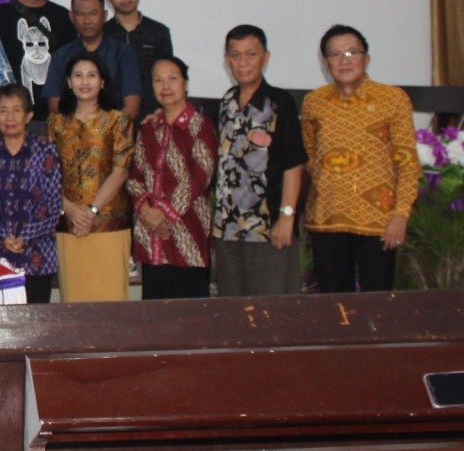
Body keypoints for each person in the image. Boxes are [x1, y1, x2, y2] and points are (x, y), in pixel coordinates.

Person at [301, 25, 420, 294]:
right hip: (327, 220)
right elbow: (311, 156)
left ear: (366, 58)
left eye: (352, 52)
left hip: (378, 222)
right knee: (334, 305)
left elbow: (407, 162)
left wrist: (401, 215)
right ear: (325, 62)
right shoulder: (314, 102)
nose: (344, 60)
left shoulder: (393, 99)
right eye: (335, 54)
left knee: (377, 305)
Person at [211, 25, 307, 296]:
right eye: (235, 55)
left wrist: (286, 218)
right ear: (227, 59)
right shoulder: (227, 102)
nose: (243, 62)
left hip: (266, 228)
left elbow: (292, 163)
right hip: (227, 229)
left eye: (251, 54)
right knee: (232, 309)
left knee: (269, 308)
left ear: (266, 57)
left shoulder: (279, 102)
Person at [127, 57, 217, 299]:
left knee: (190, 315)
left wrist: (163, 213)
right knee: (154, 313)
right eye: (158, 80)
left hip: (188, 234)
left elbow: (201, 176)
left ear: (185, 84)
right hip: (152, 236)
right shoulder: (148, 128)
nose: (165, 86)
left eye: (172, 79)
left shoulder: (201, 126)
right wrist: (146, 211)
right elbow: (135, 177)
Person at [48, 52, 134, 302]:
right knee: (74, 301)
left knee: (110, 301)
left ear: (102, 82)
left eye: (92, 75)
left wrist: (91, 212)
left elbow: (121, 170)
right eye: (78, 75)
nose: (85, 82)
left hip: (109, 223)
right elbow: (48, 173)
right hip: (69, 224)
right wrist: (70, 209)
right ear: (68, 82)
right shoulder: (56, 123)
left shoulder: (117, 120)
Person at [0, 84, 62, 304]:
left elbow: (52, 202)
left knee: (36, 319)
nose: (9, 117)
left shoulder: (46, 150)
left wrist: (24, 238)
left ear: (29, 115)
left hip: (38, 255)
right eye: (3, 110)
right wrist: (3, 236)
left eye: (16, 110)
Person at [41, 0, 141, 120]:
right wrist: (76, 128)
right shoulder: (60, 56)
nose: (87, 20)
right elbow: (54, 106)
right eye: (80, 14)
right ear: (72, 17)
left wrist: (108, 129)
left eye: (93, 13)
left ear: (105, 15)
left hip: (114, 129)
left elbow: (132, 106)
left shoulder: (123, 52)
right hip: (70, 130)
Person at [101, 0, 173, 117]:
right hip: (109, 118)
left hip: (152, 116)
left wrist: (162, 110)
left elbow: (168, 75)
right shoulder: (101, 34)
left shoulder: (158, 32)